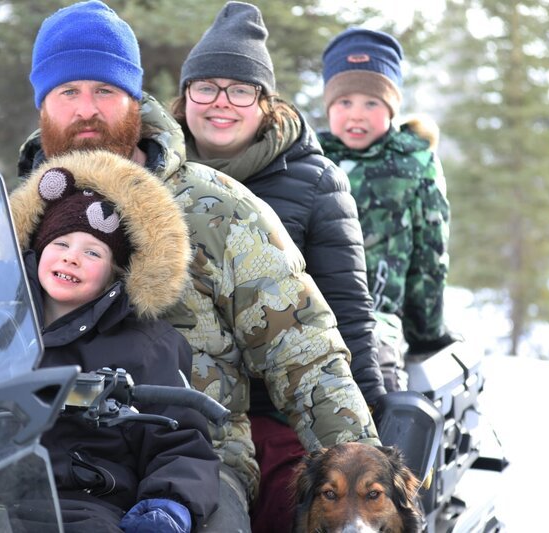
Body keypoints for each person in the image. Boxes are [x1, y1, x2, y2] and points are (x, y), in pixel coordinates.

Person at [17, 2, 380, 531]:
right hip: (28, 452)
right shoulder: (17, 215)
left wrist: (363, 487)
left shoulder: (217, 208)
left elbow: (302, 352)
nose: (86, 109)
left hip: (191, 463)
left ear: (134, 100)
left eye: (105, 91)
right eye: (67, 92)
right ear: (43, 104)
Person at [169, 3, 385, 530]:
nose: (222, 103)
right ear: (185, 97)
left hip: (280, 402)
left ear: (265, 103)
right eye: (207, 88)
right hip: (182, 394)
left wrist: (369, 416)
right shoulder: (155, 174)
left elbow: (346, 308)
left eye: (240, 90)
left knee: (289, 504)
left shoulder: (315, 183)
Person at [8, 149, 220, 532]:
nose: (72, 258)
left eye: (92, 252)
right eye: (60, 244)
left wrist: (169, 504)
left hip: (78, 502)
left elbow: (180, 440)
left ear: (114, 275)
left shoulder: (144, 344)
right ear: (36, 251)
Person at [318, 28, 456, 391]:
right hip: (312, 312)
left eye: (371, 103)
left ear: (392, 108)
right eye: (344, 103)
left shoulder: (415, 164)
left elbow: (430, 256)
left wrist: (426, 332)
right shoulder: (311, 158)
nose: (356, 115)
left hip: (378, 314)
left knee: (377, 376)